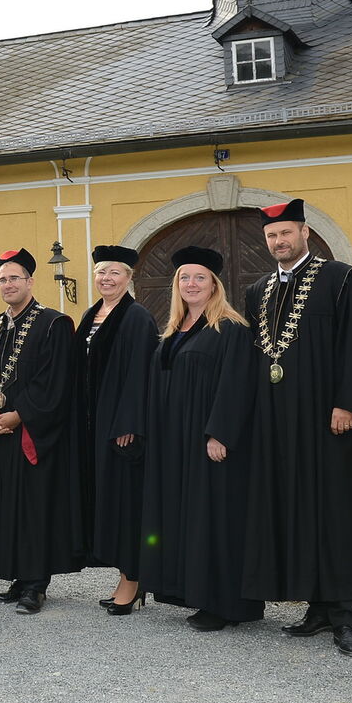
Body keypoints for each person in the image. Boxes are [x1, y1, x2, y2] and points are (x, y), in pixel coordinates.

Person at [242, 198, 352, 658]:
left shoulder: (341, 278)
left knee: (335, 511)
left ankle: (345, 615)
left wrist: (348, 403)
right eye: (271, 235)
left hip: (329, 421)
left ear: (305, 233)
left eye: (286, 232)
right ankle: (317, 607)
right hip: (279, 423)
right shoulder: (258, 290)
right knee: (299, 511)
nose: (279, 241)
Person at [138, 246, 261, 632]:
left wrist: (218, 433)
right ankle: (192, 592)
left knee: (215, 518)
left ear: (214, 285)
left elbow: (237, 385)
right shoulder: (173, 332)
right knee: (187, 516)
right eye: (185, 278)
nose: (191, 284)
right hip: (174, 443)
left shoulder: (231, 329)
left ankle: (225, 604)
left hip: (208, 441)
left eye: (200, 278)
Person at [0, 248, 87, 615]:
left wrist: (19, 415)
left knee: (36, 508)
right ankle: (18, 577)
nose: (7, 284)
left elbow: (56, 380)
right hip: (2, 431)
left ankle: (36, 584)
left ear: (30, 282)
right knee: (8, 505)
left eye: (14, 278)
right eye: (2, 279)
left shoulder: (54, 324)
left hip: (35, 434)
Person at [76, 245, 158, 616]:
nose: (106, 278)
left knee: (126, 502)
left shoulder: (137, 317)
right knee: (106, 500)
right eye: (101, 272)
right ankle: (124, 575)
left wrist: (129, 422)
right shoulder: (90, 314)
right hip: (93, 423)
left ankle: (134, 578)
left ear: (128, 277)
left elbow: (141, 371)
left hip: (120, 427)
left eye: (114, 272)